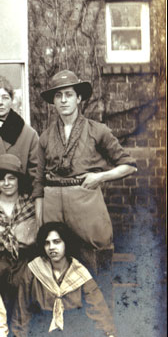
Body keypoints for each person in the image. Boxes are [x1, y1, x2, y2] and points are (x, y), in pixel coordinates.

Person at [36, 70, 136, 273]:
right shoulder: (45, 137)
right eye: (58, 95)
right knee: (57, 269)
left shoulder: (97, 130)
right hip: (53, 208)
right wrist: (40, 218)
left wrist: (100, 177)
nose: (63, 100)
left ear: (79, 98)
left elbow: (129, 165)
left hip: (86, 207)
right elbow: (38, 181)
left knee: (95, 265)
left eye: (69, 94)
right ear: (53, 101)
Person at [11, 222, 123, 337]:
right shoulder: (33, 271)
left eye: (57, 242)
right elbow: (22, 312)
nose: (52, 247)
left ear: (66, 244)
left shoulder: (79, 272)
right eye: (47, 243)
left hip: (72, 335)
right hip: (40, 333)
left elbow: (97, 307)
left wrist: (110, 336)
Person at [0, 154, 38, 301]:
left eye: (11, 178)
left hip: (25, 258)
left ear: (19, 180)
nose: (6, 183)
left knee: (27, 280)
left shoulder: (30, 205)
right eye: (1, 179)